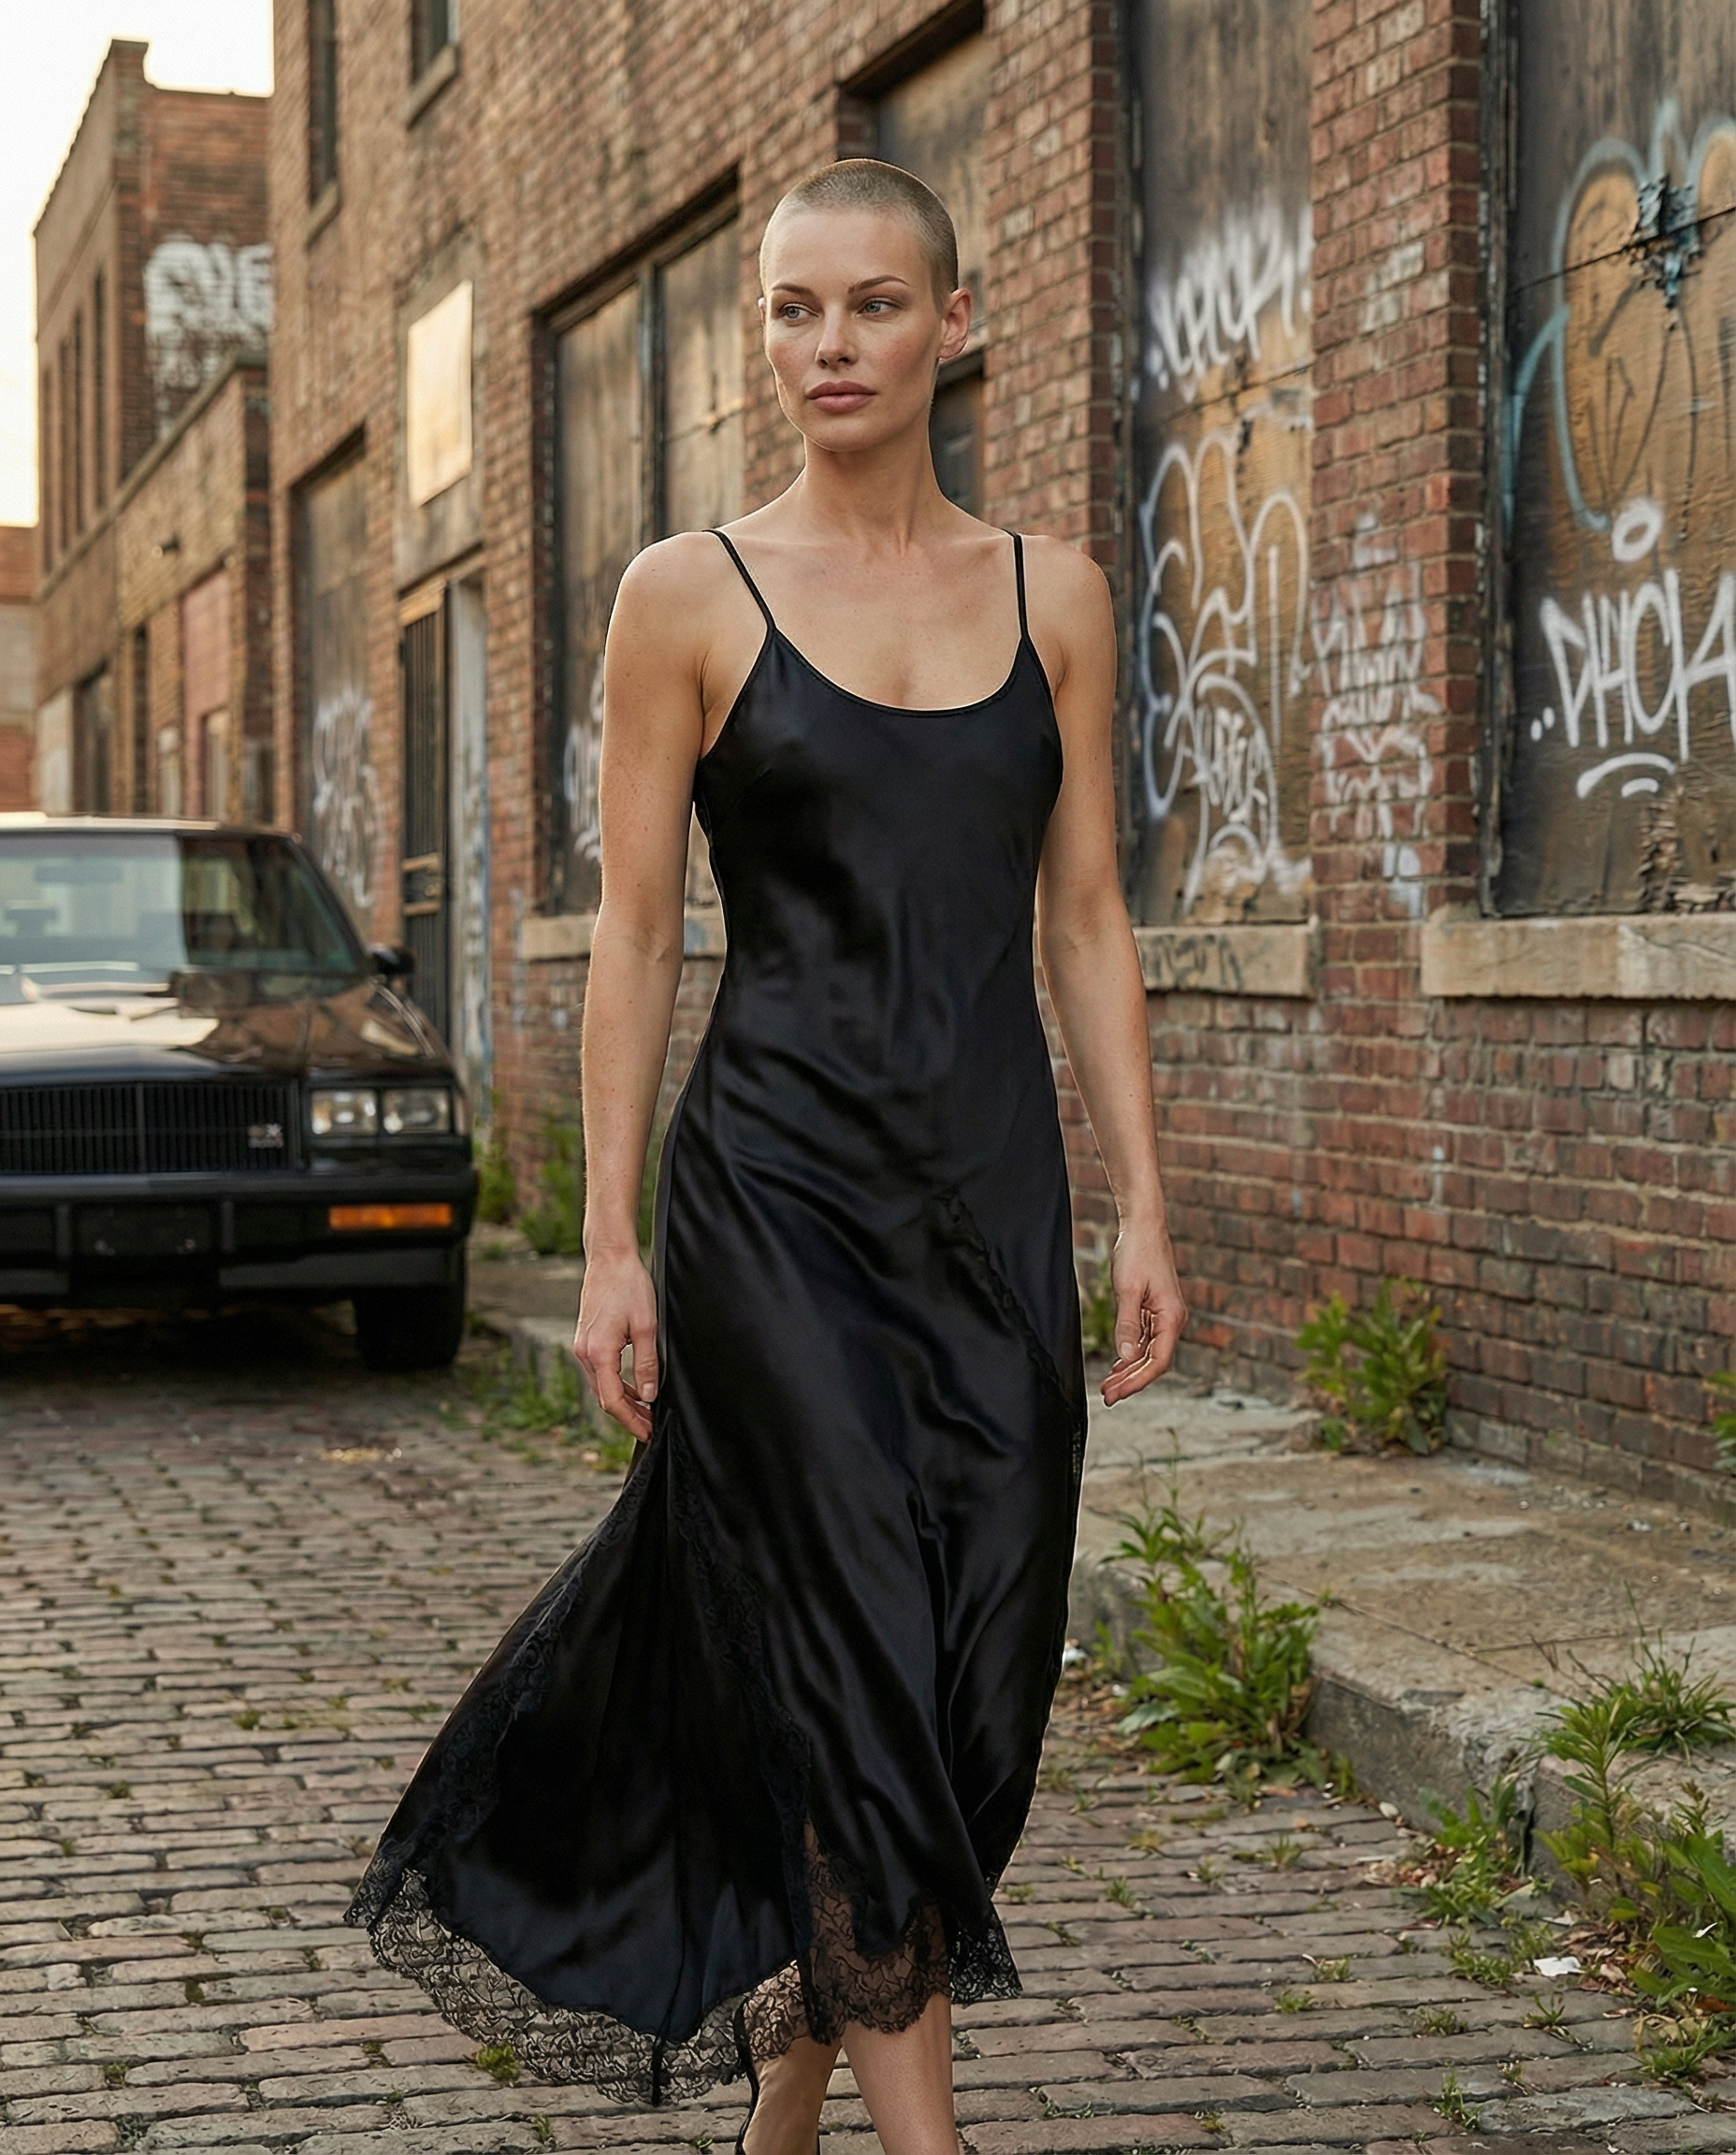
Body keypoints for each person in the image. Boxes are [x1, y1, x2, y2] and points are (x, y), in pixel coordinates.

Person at [344, 159, 1186, 2155]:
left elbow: (1083, 922)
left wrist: (1143, 1198)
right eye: (794, 311)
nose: (830, 346)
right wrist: (616, 1245)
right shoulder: (684, 596)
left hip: (984, 1206)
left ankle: (781, 2114)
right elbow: (634, 933)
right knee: (855, 1654)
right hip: (769, 1211)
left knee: (974, 1687)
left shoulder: (1049, 595)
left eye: (873, 306)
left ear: (950, 323)